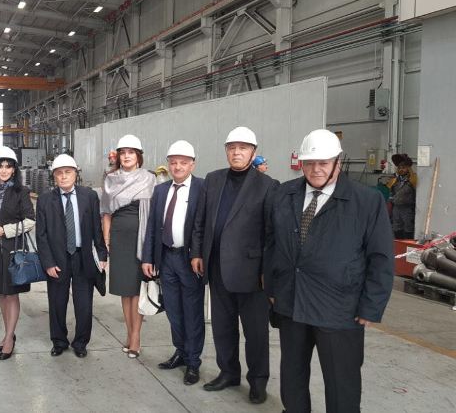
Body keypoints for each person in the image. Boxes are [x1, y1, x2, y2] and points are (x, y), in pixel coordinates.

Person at [264, 129, 394, 413]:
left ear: (338, 161)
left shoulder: (366, 201)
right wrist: (272, 289)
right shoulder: (284, 194)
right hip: (292, 303)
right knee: (292, 376)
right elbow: (271, 244)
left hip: (339, 309)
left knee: (341, 382)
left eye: (323, 163)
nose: (316, 170)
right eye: (309, 163)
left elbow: (381, 258)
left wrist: (371, 306)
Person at [190, 126, 278, 404]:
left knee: (255, 332)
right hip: (217, 268)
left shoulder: (268, 186)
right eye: (232, 148)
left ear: (253, 152)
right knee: (223, 327)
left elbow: (271, 234)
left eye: (243, 148)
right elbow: (200, 221)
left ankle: (258, 381)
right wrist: (197, 252)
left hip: (252, 274)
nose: (236, 152)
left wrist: (266, 272)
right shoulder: (213, 180)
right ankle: (228, 373)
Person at [142, 140, 206, 385]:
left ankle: (193, 362)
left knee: (192, 312)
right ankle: (180, 351)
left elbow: (203, 226)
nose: (177, 167)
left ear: (192, 164)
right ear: (168, 164)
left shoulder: (202, 188)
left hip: (189, 260)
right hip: (166, 258)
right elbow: (152, 227)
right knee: (173, 310)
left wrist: (199, 254)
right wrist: (148, 257)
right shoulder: (160, 190)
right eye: (173, 162)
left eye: (183, 162)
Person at [37, 154, 108, 358]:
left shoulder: (89, 196)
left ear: (76, 174)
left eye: (68, 172)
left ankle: (81, 343)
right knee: (57, 303)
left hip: (83, 257)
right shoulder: (45, 200)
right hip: (57, 260)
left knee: (84, 304)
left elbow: (96, 228)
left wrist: (101, 254)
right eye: (59, 173)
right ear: (54, 176)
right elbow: (41, 235)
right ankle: (59, 341)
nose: (63, 176)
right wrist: (48, 263)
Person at [101, 134, 155, 358]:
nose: (126, 156)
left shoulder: (149, 178)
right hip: (119, 239)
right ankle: (129, 333)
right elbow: (106, 213)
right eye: (123, 153)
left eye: (131, 152)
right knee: (125, 290)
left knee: (137, 289)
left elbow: (153, 214)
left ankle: (136, 337)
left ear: (138, 156)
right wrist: (107, 240)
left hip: (140, 238)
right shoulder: (110, 179)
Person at [0, 146, 35, 360]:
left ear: (14, 170)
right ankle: (7, 335)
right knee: (2, 293)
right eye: (0, 166)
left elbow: (30, 221)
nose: (4, 170)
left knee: (12, 293)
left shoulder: (21, 192)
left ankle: (9, 338)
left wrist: (4, 230)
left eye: (8, 166)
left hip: (14, 250)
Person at [387, 153, 416, 239]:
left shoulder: (412, 179)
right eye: (399, 168)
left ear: (408, 168)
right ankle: (398, 244)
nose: (401, 169)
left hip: (408, 208)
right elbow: (391, 192)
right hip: (396, 208)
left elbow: (415, 186)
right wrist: (390, 203)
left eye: (403, 167)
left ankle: (408, 244)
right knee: (396, 227)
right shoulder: (395, 180)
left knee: (408, 228)